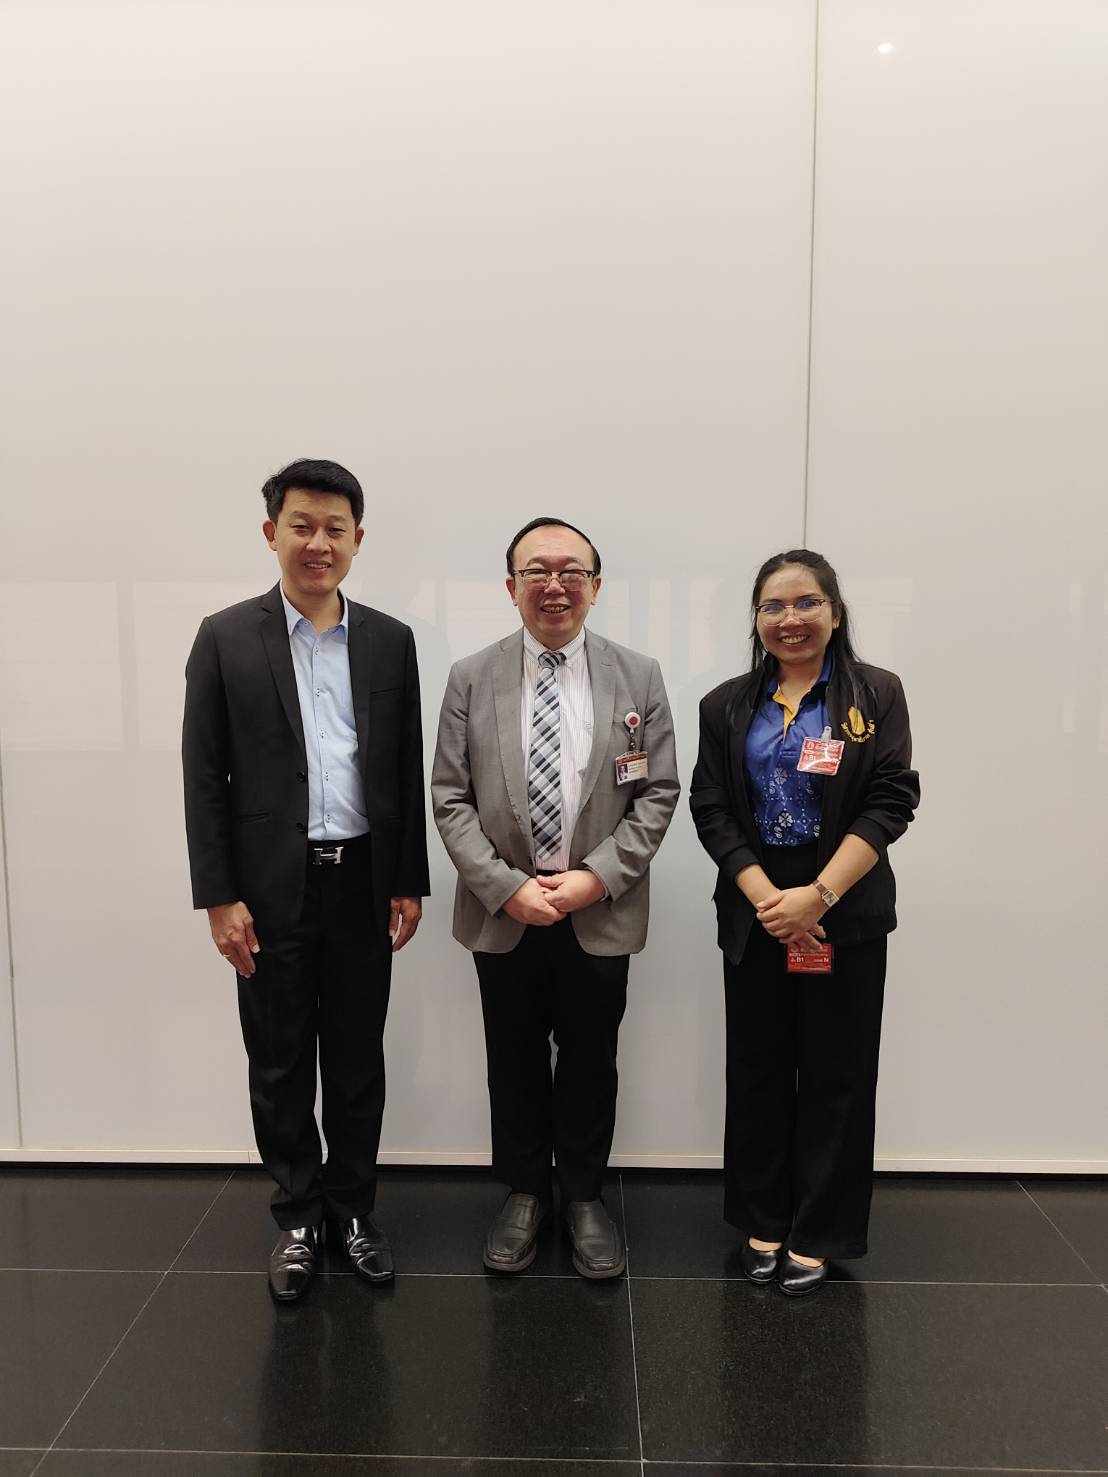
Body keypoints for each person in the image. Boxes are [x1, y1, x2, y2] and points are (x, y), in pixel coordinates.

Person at [182, 458, 429, 1303]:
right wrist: (219, 897)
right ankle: (296, 1215)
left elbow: (401, 769)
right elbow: (203, 775)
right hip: (266, 890)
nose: (318, 542)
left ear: (358, 539)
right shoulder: (224, 637)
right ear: (271, 533)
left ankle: (352, 1210)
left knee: (358, 1058)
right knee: (279, 1056)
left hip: (362, 880)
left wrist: (407, 878)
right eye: (302, 525)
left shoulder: (390, 640)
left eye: (335, 528)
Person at [432, 517, 679, 1279]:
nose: (554, 584)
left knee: (590, 1059)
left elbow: (658, 791)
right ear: (510, 587)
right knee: (511, 1058)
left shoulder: (638, 675)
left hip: (597, 906)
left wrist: (594, 877)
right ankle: (524, 1192)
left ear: (595, 586)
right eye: (535, 571)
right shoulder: (470, 676)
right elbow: (449, 796)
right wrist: (505, 887)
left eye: (571, 571)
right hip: (504, 911)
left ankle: (583, 1195)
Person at [690, 549, 919, 1296]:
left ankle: (821, 1228)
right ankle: (763, 1216)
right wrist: (770, 900)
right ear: (756, 619)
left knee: (836, 1075)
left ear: (836, 612)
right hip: (757, 907)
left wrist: (816, 897)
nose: (790, 619)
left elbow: (891, 799)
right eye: (774, 606)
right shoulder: (726, 705)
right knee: (757, 1069)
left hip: (843, 906)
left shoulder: (875, 693)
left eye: (806, 602)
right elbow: (711, 808)